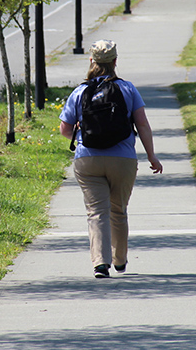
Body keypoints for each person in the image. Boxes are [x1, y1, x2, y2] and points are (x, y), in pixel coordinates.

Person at [59, 39, 163, 278]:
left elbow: (65, 130)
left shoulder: (80, 92)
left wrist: (80, 129)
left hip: (88, 159)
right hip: (122, 159)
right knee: (118, 210)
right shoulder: (127, 89)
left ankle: (100, 263)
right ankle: (119, 259)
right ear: (115, 61)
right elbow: (143, 125)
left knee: (96, 211)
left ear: (91, 61)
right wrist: (151, 156)